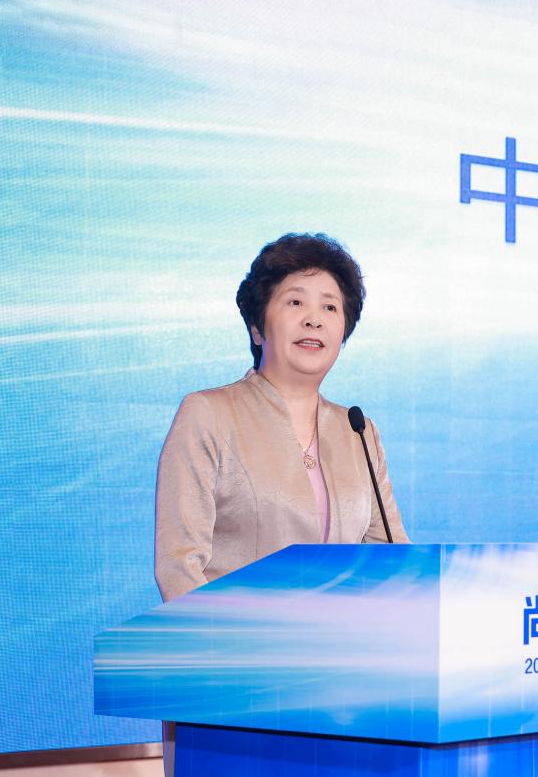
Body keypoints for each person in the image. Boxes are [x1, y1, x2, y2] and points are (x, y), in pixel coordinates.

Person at [155, 232, 409, 604]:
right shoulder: (208, 415)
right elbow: (179, 567)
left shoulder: (358, 431)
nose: (314, 320)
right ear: (258, 329)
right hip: (239, 638)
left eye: (330, 307)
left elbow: (392, 556)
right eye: (295, 302)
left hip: (339, 637)